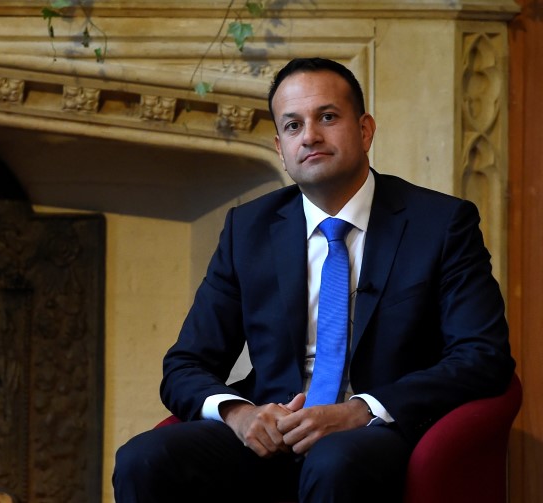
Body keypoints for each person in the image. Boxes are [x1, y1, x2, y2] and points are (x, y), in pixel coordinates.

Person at [112, 57, 515, 502]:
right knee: (142, 459)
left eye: (327, 117)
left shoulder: (440, 224)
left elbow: (483, 356)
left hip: (376, 433)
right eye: (292, 126)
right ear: (280, 148)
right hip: (272, 429)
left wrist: (360, 410)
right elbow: (185, 364)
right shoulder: (247, 229)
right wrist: (239, 414)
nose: (310, 136)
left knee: (334, 462)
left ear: (364, 130)